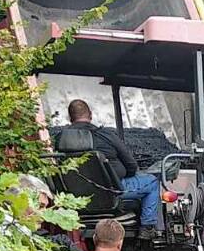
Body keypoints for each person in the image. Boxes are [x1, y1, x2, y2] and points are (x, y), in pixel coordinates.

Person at [57, 100, 161, 239]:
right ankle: (147, 228)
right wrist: (122, 176)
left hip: (74, 197)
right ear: (91, 115)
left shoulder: (59, 139)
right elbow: (131, 165)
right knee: (152, 182)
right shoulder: (106, 135)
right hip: (112, 192)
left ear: (70, 118)